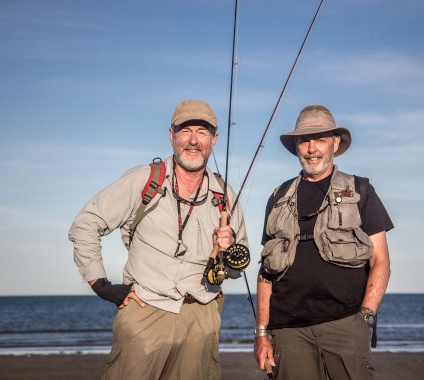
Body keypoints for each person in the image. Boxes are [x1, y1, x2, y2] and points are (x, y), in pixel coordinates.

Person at [68, 99, 248, 380]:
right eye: (185, 131)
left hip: (202, 317)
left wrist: (229, 250)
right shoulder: (144, 179)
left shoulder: (225, 195)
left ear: (214, 139)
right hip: (145, 312)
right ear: (171, 135)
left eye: (202, 132)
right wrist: (101, 285)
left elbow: (237, 269)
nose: (192, 140)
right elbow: (86, 224)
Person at [253, 105, 393, 380]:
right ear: (296, 145)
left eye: (320, 139)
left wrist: (365, 317)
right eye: (304, 140)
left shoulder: (361, 190)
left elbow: (381, 262)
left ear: (335, 143)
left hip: (345, 325)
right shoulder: (277, 197)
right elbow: (265, 272)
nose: (312, 148)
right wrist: (261, 333)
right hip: (289, 331)